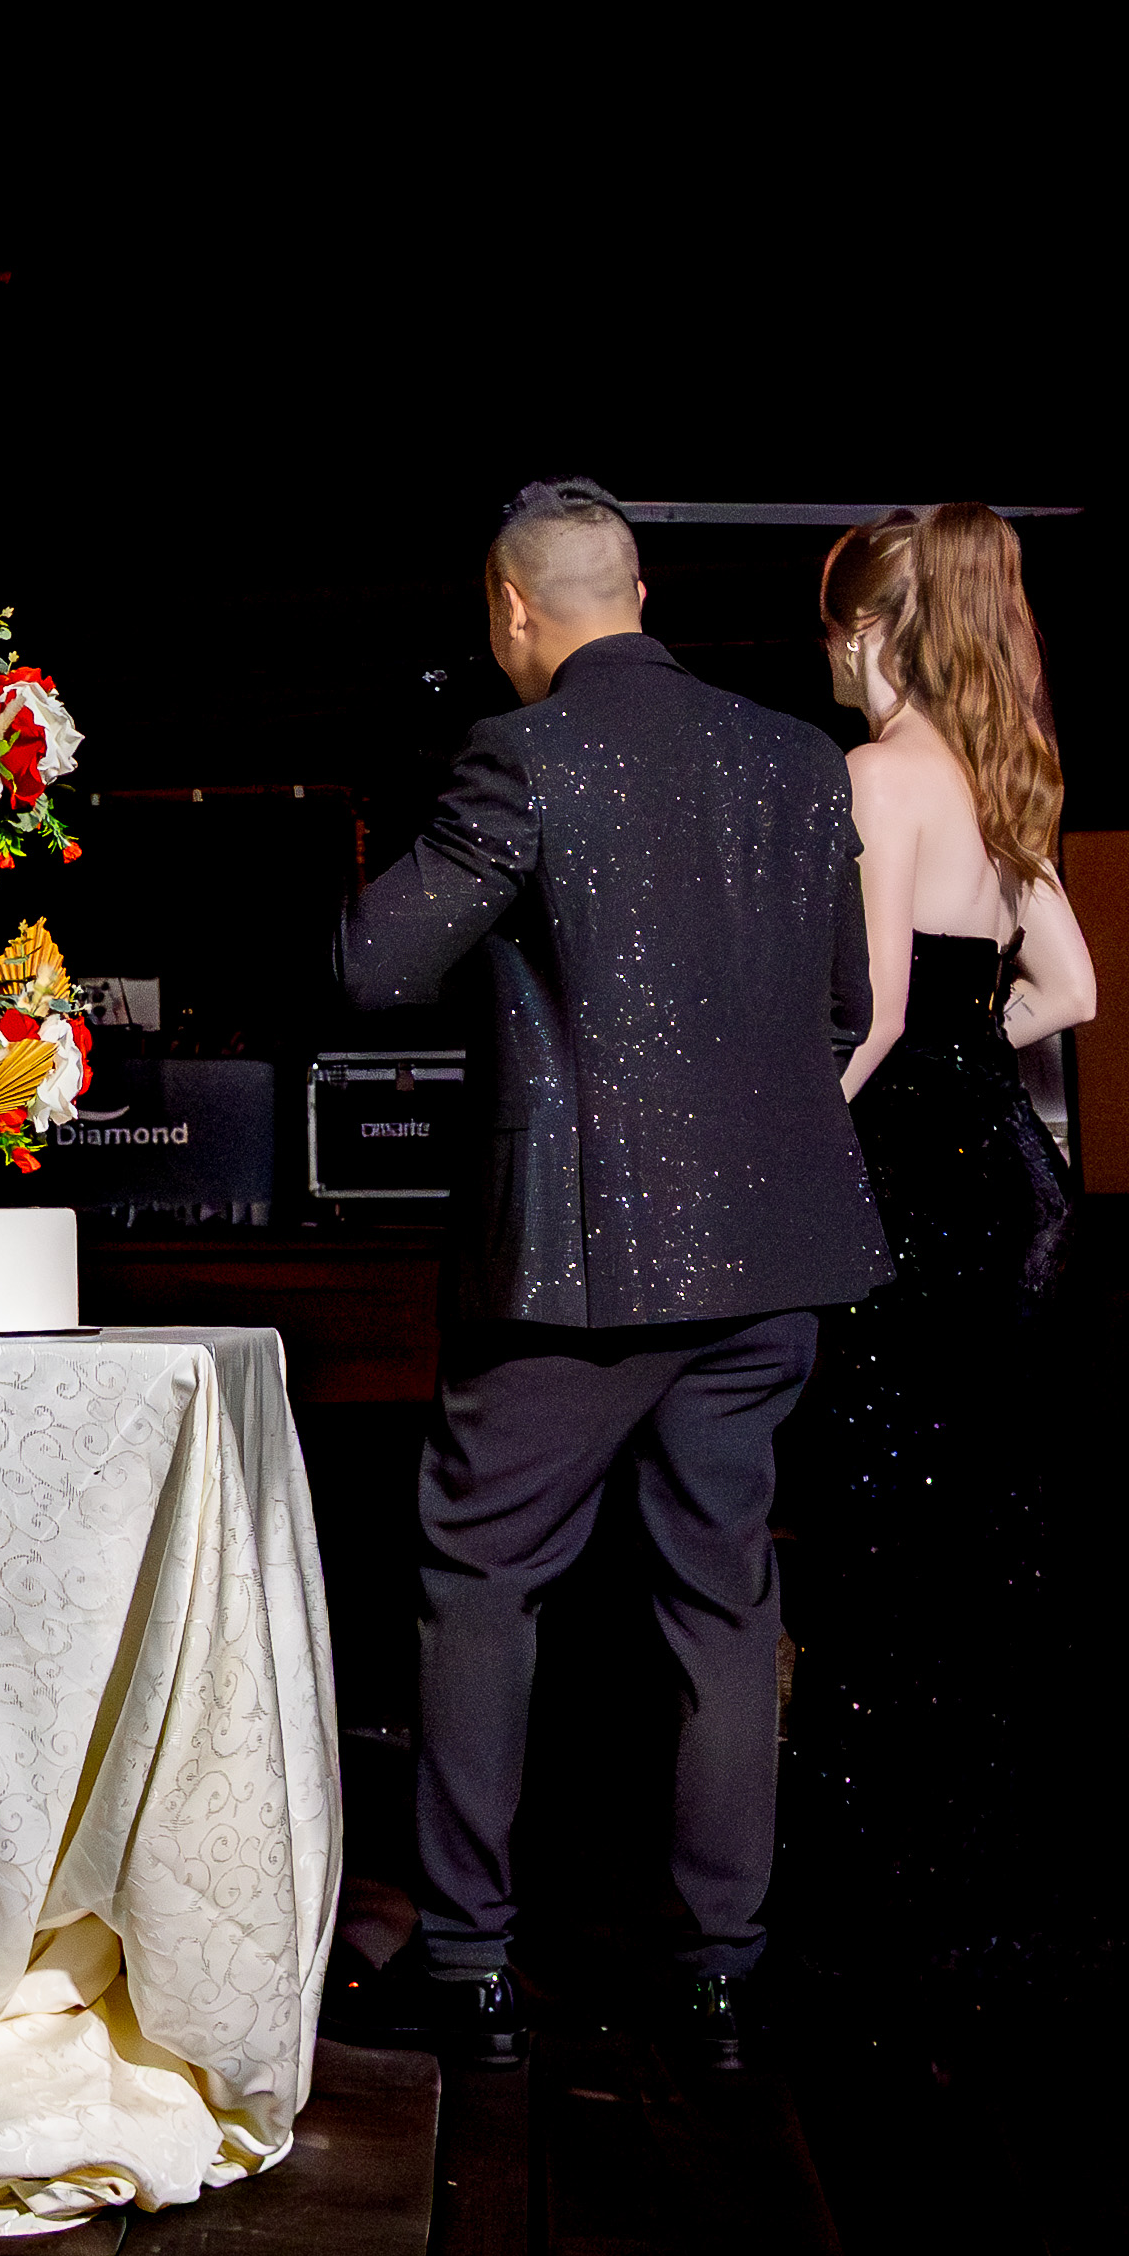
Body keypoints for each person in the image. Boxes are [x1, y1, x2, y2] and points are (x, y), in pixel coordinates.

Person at [334, 478, 884, 2076]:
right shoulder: (795, 760)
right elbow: (845, 1008)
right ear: (639, 590)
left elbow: (373, 965)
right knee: (725, 1594)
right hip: (771, 1258)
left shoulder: (523, 755)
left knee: (480, 1578)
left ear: (512, 610)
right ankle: (723, 1977)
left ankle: (470, 1963)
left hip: (583, 1269)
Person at [794, 503, 1096, 1968]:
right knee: (988, 1518)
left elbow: (876, 1016)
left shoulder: (873, 776)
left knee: (879, 1525)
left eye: (828, 633)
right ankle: (992, 1853)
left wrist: (781, 1149)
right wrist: (973, 1063)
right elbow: (1072, 992)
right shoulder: (998, 775)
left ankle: (877, 1872)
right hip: (1014, 1184)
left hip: (909, 1187)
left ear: (864, 632)